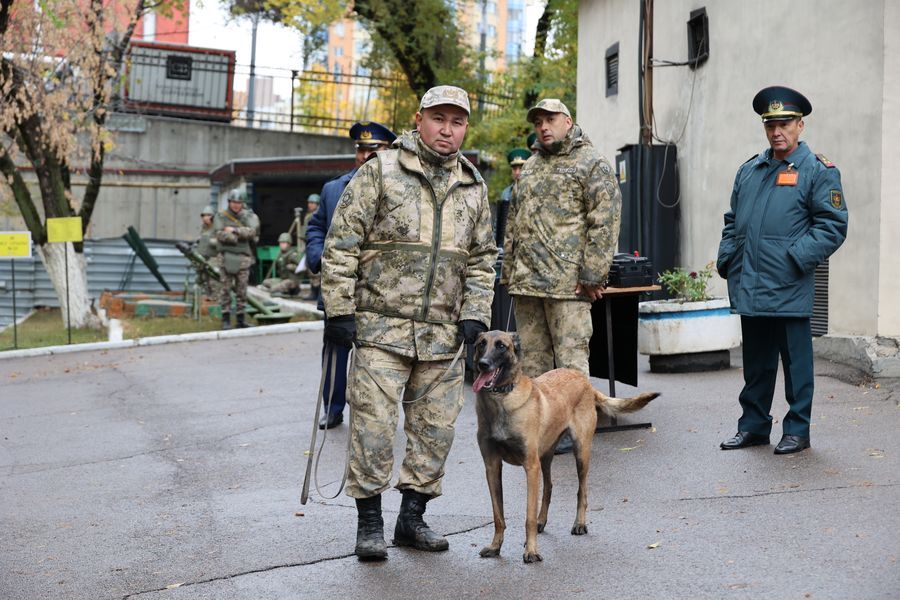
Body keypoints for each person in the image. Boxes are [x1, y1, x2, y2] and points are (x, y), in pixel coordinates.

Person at [321, 86, 496, 561]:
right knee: (372, 429)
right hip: (379, 330)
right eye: (439, 119)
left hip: (443, 335)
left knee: (435, 430)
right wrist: (339, 309)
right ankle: (370, 525)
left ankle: (411, 519)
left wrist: (476, 313)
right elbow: (341, 243)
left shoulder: (473, 185)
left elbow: (482, 259)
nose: (447, 130)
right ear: (418, 119)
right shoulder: (381, 171)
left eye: (457, 122)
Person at [717, 86, 848, 455]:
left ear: (800, 125)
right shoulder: (750, 170)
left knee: (796, 366)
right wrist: (728, 257)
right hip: (752, 283)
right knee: (756, 364)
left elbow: (832, 226)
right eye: (770, 124)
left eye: (785, 123)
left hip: (789, 285)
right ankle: (754, 426)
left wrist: (794, 259)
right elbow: (732, 220)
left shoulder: (817, 171)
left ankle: (797, 430)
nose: (777, 131)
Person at [500, 98, 622, 454]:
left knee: (570, 364)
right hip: (529, 283)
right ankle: (539, 426)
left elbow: (605, 220)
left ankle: (574, 427)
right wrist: (509, 270)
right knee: (535, 362)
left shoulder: (591, 163)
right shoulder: (533, 165)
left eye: (550, 119)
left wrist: (593, 274)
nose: (543, 126)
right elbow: (515, 222)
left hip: (567, 284)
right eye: (538, 121)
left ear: (568, 121)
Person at [306, 122, 396, 430]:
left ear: (388, 151)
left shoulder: (401, 189)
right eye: (361, 149)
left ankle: (372, 414)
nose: (366, 155)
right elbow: (316, 226)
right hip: (339, 287)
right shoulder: (333, 189)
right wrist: (318, 256)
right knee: (335, 350)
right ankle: (332, 407)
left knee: (379, 355)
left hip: (381, 290)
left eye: (374, 149)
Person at [213, 188, 260, 330]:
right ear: (229, 202)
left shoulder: (248, 216)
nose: (236, 205)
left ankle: (240, 320)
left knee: (242, 291)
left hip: (243, 258)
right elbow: (219, 234)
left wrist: (234, 231)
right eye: (233, 202)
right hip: (225, 257)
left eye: (239, 202)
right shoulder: (221, 216)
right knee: (225, 290)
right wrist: (238, 238)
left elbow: (253, 232)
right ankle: (225, 319)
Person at [495, 148, 529, 246]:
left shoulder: (534, 190)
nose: (517, 172)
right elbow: (499, 223)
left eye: (521, 168)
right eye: (514, 169)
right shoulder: (506, 193)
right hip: (508, 244)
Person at [194, 205, 218, 297]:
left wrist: (209, 240)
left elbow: (221, 243)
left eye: (208, 215)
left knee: (213, 282)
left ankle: (215, 301)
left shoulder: (218, 228)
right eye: (203, 215)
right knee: (202, 280)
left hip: (214, 259)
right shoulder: (204, 227)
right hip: (203, 257)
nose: (205, 217)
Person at [301, 194, 321, 300]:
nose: (310, 205)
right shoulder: (308, 215)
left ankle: (317, 293)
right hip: (308, 244)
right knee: (310, 270)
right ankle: (314, 292)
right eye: (309, 202)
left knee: (316, 271)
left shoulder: (318, 214)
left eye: (312, 203)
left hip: (316, 244)